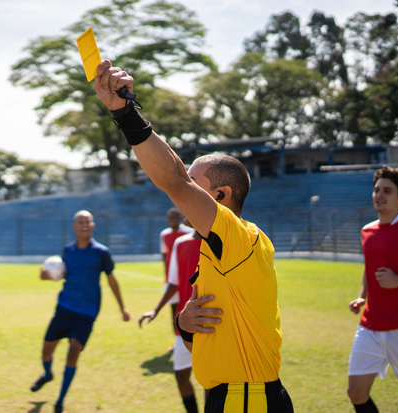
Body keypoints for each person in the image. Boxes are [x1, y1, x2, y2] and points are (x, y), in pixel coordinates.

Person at [94, 60, 293, 412]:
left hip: (248, 400)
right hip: (228, 396)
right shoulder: (216, 248)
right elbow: (211, 330)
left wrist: (125, 113)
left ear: (220, 196)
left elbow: (173, 179)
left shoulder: (238, 236)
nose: (186, 193)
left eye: (196, 185)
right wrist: (184, 324)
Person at [30, 210, 132, 413]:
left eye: (88, 221)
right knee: (46, 351)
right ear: (74, 227)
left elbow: (112, 280)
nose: (85, 224)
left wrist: (122, 307)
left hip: (87, 312)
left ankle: (59, 400)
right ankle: (48, 374)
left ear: (93, 225)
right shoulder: (67, 251)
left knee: (73, 352)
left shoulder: (102, 252)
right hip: (65, 307)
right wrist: (45, 276)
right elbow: (57, 274)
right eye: (80, 222)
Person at [346, 165, 398, 412]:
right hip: (371, 324)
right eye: (376, 190)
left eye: (387, 191)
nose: (379, 195)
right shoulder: (367, 231)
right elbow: (369, 267)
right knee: (356, 392)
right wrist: (362, 296)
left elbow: (394, 276)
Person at [140, 218, 201, 413]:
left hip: (212, 322)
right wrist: (156, 310)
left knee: (212, 382)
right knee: (181, 377)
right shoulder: (179, 243)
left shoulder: (217, 242)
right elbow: (173, 282)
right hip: (184, 325)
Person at [160, 208, 193, 338]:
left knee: (187, 306)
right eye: (169, 218)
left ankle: (190, 337)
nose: (171, 220)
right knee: (173, 308)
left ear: (180, 217)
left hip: (185, 277)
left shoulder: (189, 233)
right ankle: (177, 338)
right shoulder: (164, 234)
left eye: (174, 217)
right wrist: (167, 272)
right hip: (171, 278)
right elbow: (164, 254)